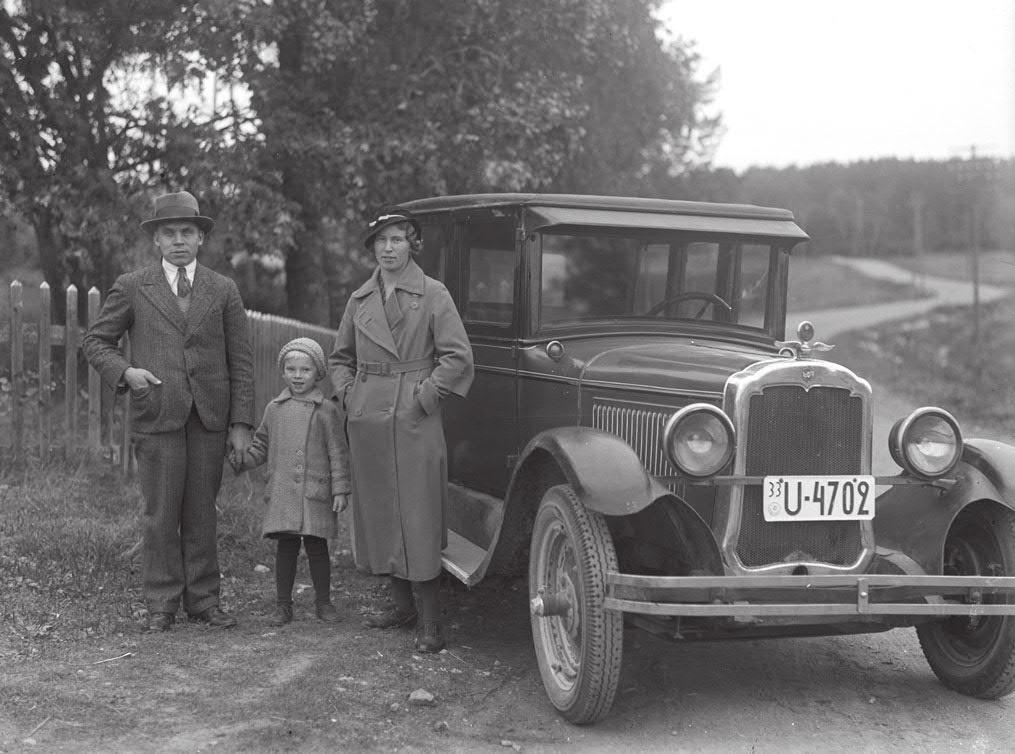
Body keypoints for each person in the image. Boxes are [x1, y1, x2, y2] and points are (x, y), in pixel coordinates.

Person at [82, 190, 254, 632]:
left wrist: (239, 424)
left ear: (201, 239)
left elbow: (241, 361)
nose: (178, 240)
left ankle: (204, 599)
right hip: (156, 411)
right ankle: (161, 602)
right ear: (156, 241)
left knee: (202, 508)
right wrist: (127, 373)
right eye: (169, 233)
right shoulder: (133, 285)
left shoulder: (223, 289)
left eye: (187, 232)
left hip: (210, 417)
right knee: (160, 510)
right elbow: (96, 342)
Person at [329, 210, 473, 653]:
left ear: (413, 244)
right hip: (369, 416)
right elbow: (339, 359)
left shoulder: (433, 294)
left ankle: (430, 621)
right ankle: (400, 607)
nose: (388, 248)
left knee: (419, 512)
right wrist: (350, 395)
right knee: (381, 511)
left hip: (414, 418)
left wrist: (424, 398)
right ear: (371, 248)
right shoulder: (360, 300)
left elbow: (458, 357)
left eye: (397, 239)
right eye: (380, 241)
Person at [233, 337, 350, 626]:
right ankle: (283, 606)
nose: (298, 376)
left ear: (317, 373)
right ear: (283, 372)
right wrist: (243, 458)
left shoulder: (327, 411)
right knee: (286, 549)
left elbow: (338, 451)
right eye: (291, 369)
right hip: (284, 490)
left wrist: (340, 489)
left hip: (315, 491)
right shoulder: (275, 409)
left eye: (305, 370)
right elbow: (261, 444)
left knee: (317, 548)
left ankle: (324, 602)